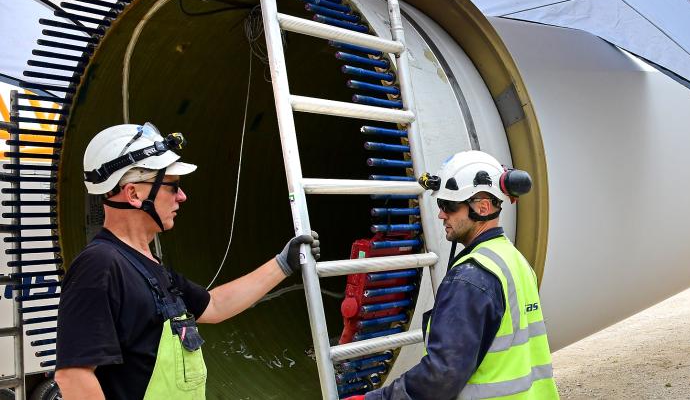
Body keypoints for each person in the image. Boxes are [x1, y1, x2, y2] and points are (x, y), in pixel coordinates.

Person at [54, 123, 321, 399]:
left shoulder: (149, 266)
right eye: (172, 186)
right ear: (134, 194)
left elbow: (214, 305)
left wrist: (282, 264)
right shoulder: (100, 266)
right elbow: (73, 375)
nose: (182, 196)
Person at [358, 150, 559, 399]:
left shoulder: (470, 278)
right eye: (441, 205)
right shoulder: (513, 260)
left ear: (483, 207)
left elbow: (441, 377)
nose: (442, 214)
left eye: (450, 206)